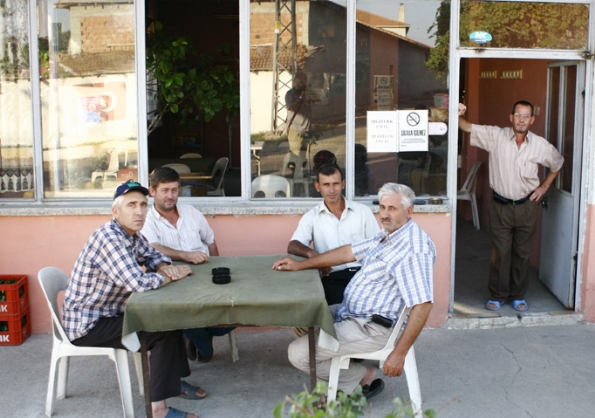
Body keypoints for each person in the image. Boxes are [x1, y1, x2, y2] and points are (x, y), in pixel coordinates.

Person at [273, 183, 434, 399]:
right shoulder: (387, 235)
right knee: (300, 316)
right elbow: (349, 252)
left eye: (392, 208)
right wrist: (301, 264)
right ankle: (340, 372)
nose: (384, 214)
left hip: (373, 327)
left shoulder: (414, 248)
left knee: (299, 353)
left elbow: (423, 304)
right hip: (351, 313)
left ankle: (360, 376)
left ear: (409, 211)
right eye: (383, 207)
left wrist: (399, 353)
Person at [62, 180, 203, 418]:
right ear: (115, 211)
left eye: (142, 205)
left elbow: (153, 255)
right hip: (89, 324)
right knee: (162, 330)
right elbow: (138, 283)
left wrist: (162, 267)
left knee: (170, 319)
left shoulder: (131, 234)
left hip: (110, 311)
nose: (139, 211)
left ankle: (172, 383)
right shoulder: (110, 238)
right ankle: (158, 410)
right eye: (131, 205)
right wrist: (174, 275)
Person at [458, 101, 564, 312]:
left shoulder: (539, 144)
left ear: (532, 120)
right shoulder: (496, 136)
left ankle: (517, 295)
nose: (522, 119)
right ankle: (497, 295)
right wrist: (457, 113)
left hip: (527, 206)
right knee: (500, 253)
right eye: (518, 115)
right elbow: (467, 126)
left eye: (526, 116)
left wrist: (544, 186)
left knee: (522, 253)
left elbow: (557, 163)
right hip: (500, 205)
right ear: (511, 117)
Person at [141, 167, 234, 362]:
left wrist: (216, 268)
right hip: (173, 282)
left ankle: (200, 335)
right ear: (152, 191)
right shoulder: (146, 220)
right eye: (164, 190)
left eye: (174, 190)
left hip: (206, 279)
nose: (170, 196)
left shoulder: (191, 212)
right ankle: (203, 345)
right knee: (184, 314)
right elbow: (153, 246)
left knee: (235, 309)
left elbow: (210, 240)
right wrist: (185, 255)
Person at [288, 163, 380, 306]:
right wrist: (312, 254)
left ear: (343, 184)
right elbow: (293, 245)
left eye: (335, 184)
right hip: (332, 278)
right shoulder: (312, 216)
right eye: (326, 185)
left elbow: (378, 248)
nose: (331, 190)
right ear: (318, 187)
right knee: (331, 318)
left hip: (363, 276)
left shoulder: (363, 212)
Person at [282, 72, 318, 195]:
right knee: (296, 158)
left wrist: (310, 92)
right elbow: (291, 108)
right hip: (295, 130)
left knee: (303, 159)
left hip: (306, 130)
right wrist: (302, 97)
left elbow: (319, 100)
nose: (302, 84)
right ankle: (294, 189)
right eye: (300, 81)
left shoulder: (307, 93)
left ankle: (301, 186)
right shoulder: (290, 94)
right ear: (295, 81)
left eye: (304, 81)